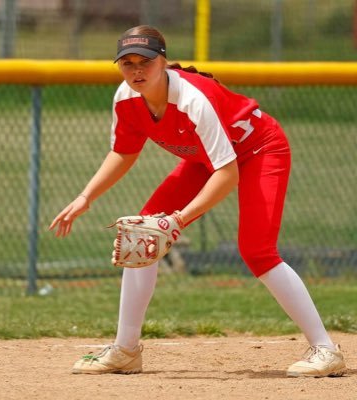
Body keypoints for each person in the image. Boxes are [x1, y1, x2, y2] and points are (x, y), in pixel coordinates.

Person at [49, 25, 347, 378]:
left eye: (144, 61)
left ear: (163, 62)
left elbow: (227, 174)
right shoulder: (126, 99)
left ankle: (326, 349)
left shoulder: (192, 98)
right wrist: (87, 196)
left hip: (259, 149)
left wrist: (177, 221)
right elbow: (124, 152)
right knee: (140, 237)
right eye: (127, 63)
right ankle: (126, 350)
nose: (136, 70)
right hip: (207, 159)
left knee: (257, 250)